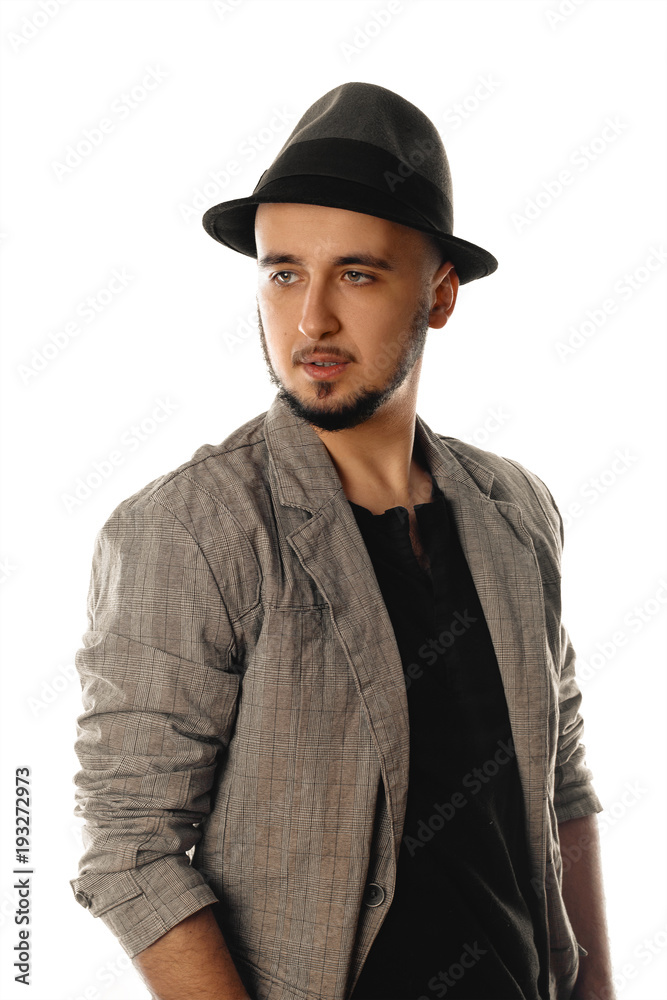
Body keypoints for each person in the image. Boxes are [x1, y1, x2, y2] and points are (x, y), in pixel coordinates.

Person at [70, 82, 615, 1000]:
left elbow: (558, 782)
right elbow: (131, 850)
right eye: (283, 271)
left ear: (438, 295)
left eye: (356, 274)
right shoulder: (193, 529)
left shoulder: (517, 508)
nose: (310, 320)